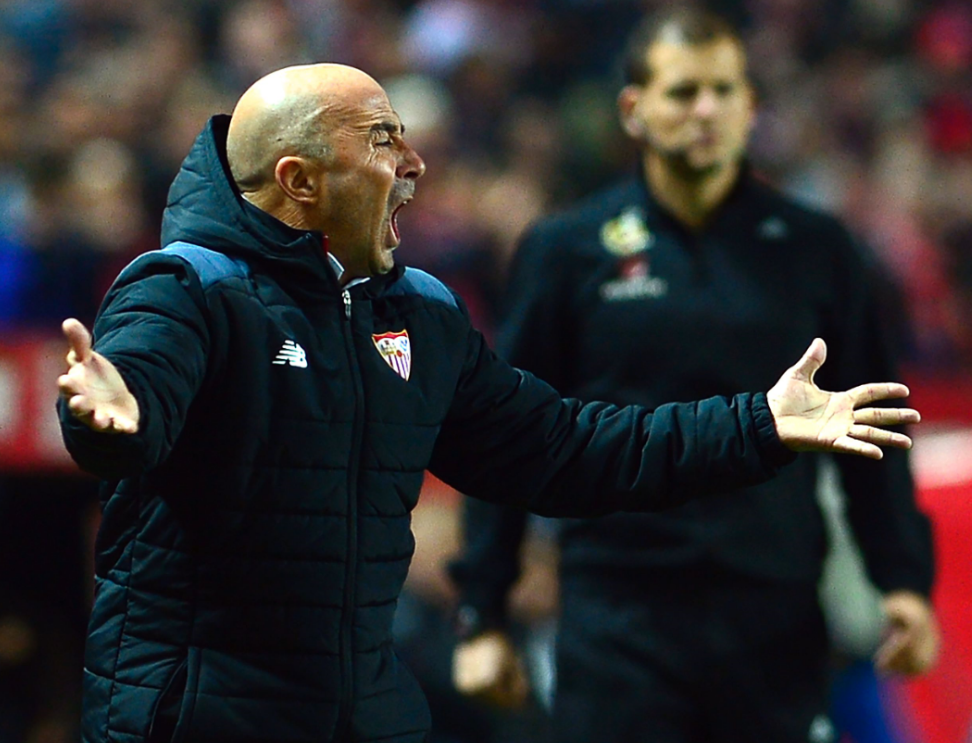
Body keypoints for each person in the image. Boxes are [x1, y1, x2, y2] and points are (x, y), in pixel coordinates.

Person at [56, 62, 919, 743]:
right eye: (383, 138)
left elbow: (567, 450)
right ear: (299, 179)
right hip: (199, 718)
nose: (414, 163)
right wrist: (108, 415)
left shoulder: (418, 313)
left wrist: (756, 423)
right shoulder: (184, 289)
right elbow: (131, 401)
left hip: (361, 715)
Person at [448, 9, 938, 743]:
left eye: (723, 89)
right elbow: (511, 437)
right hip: (618, 611)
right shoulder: (566, 250)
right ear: (633, 109)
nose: (704, 110)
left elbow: (876, 422)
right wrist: (481, 614)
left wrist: (901, 581)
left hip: (772, 612)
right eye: (681, 93)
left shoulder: (817, 247)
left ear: (749, 105)